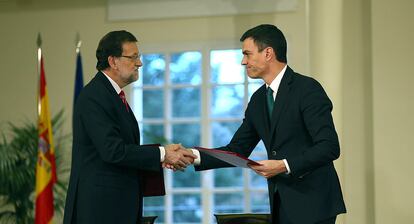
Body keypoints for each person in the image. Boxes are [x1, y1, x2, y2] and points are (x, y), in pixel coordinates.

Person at [192, 24, 346, 224]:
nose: (243, 61)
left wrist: (283, 165)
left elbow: (329, 147)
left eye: (247, 54)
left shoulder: (307, 89)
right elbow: (237, 149)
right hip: (280, 204)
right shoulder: (258, 100)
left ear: (268, 53)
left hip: (314, 204)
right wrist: (192, 156)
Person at [63, 30, 196, 224]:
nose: (140, 63)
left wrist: (161, 156)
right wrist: (162, 154)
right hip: (100, 211)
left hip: (115, 206)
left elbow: (121, 148)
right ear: (113, 61)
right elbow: (113, 151)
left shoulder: (111, 95)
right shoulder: (95, 96)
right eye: (133, 57)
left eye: (138, 57)